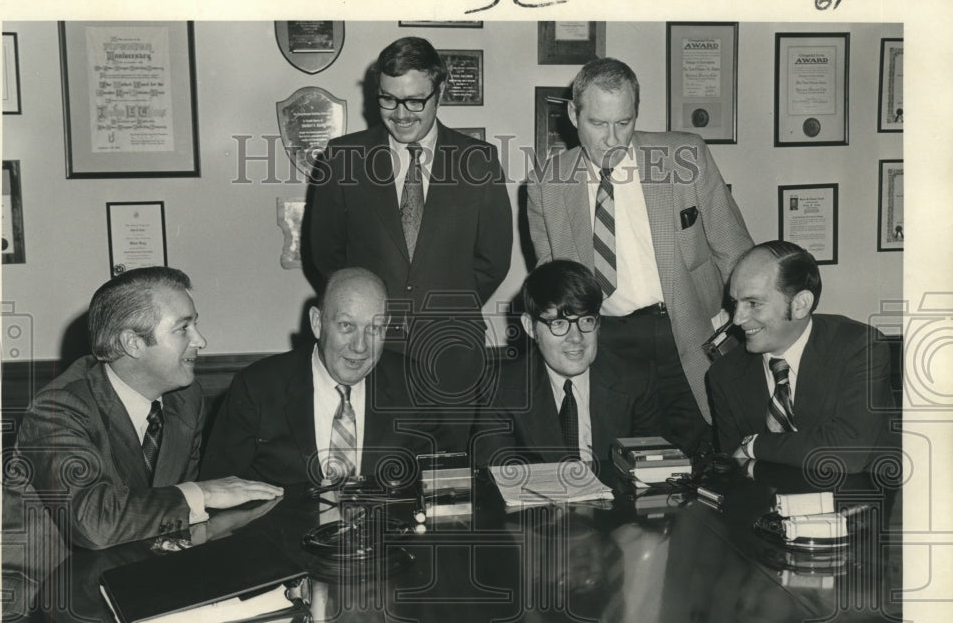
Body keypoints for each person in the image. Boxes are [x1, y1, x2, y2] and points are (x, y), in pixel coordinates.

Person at [2, 267, 283, 623]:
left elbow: (172, 520)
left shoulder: (184, 399)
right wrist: (203, 492)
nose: (202, 340)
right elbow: (93, 523)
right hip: (29, 617)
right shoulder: (58, 411)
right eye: (184, 328)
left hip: (116, 599)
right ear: (133, 344)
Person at [527, 57, 753, 457]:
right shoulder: (547, 184)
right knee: (625, 461)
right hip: (607, 341)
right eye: (598, 124)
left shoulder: (685, 156)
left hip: (686, 331)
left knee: (707, 453)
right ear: (573, 114)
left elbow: (734, 249)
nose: (612, 139)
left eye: (624, 123)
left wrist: (744, 323)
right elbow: (552, 285)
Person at [310, 36, 513, 446]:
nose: (401, 114)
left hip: (452, 353)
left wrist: (441, 306)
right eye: (389, 100)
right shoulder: (341, 157)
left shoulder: (479, 160)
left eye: (416, 101)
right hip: (369, 351)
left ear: (440, 93)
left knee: (449, 481)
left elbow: (493, 259)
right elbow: (326, 255)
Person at [202, 267, 446, 486]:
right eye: (346, 326)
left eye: (374, 328)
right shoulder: (257, 387)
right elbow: (217, 489)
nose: (360, 346)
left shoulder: (413, 384)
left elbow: (441, 483)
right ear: (317, 323)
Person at [707, 241, 897, 470]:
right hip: (763, 502)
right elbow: (733, 468)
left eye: (754, 303)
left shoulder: (860, 348)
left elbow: (849, 451)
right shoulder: (724, 373)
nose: (737, 319)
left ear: (800, 305)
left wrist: (756, 445)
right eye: (735, 303)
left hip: (853, 499)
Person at [474, 260, 662, 467]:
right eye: (559, 323)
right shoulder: (501, 388)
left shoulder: (636, 380)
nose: (576, 337)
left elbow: (650, 471)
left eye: (586, 320)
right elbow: (493, 476)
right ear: (530, 327)